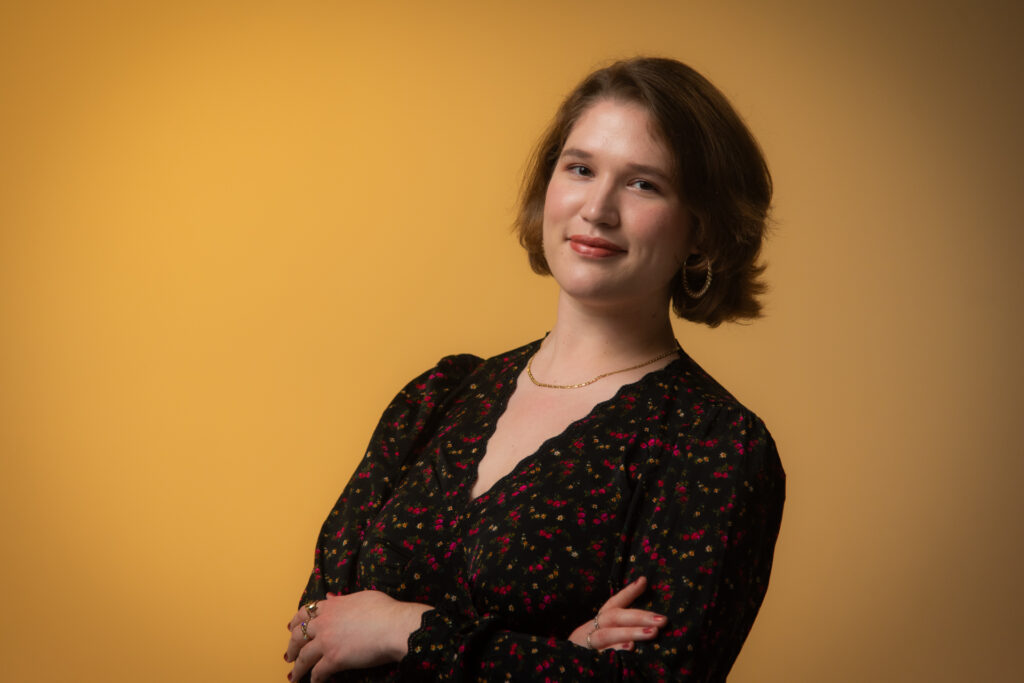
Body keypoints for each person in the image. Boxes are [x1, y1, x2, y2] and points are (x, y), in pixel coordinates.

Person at [284, 56, 784, 682]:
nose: (597, 208)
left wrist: (400, 628)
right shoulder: (438, 396)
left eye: (644, 184)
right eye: (580, 169)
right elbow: (313, 633)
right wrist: (552, 657)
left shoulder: (713, 448)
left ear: (701, 233)